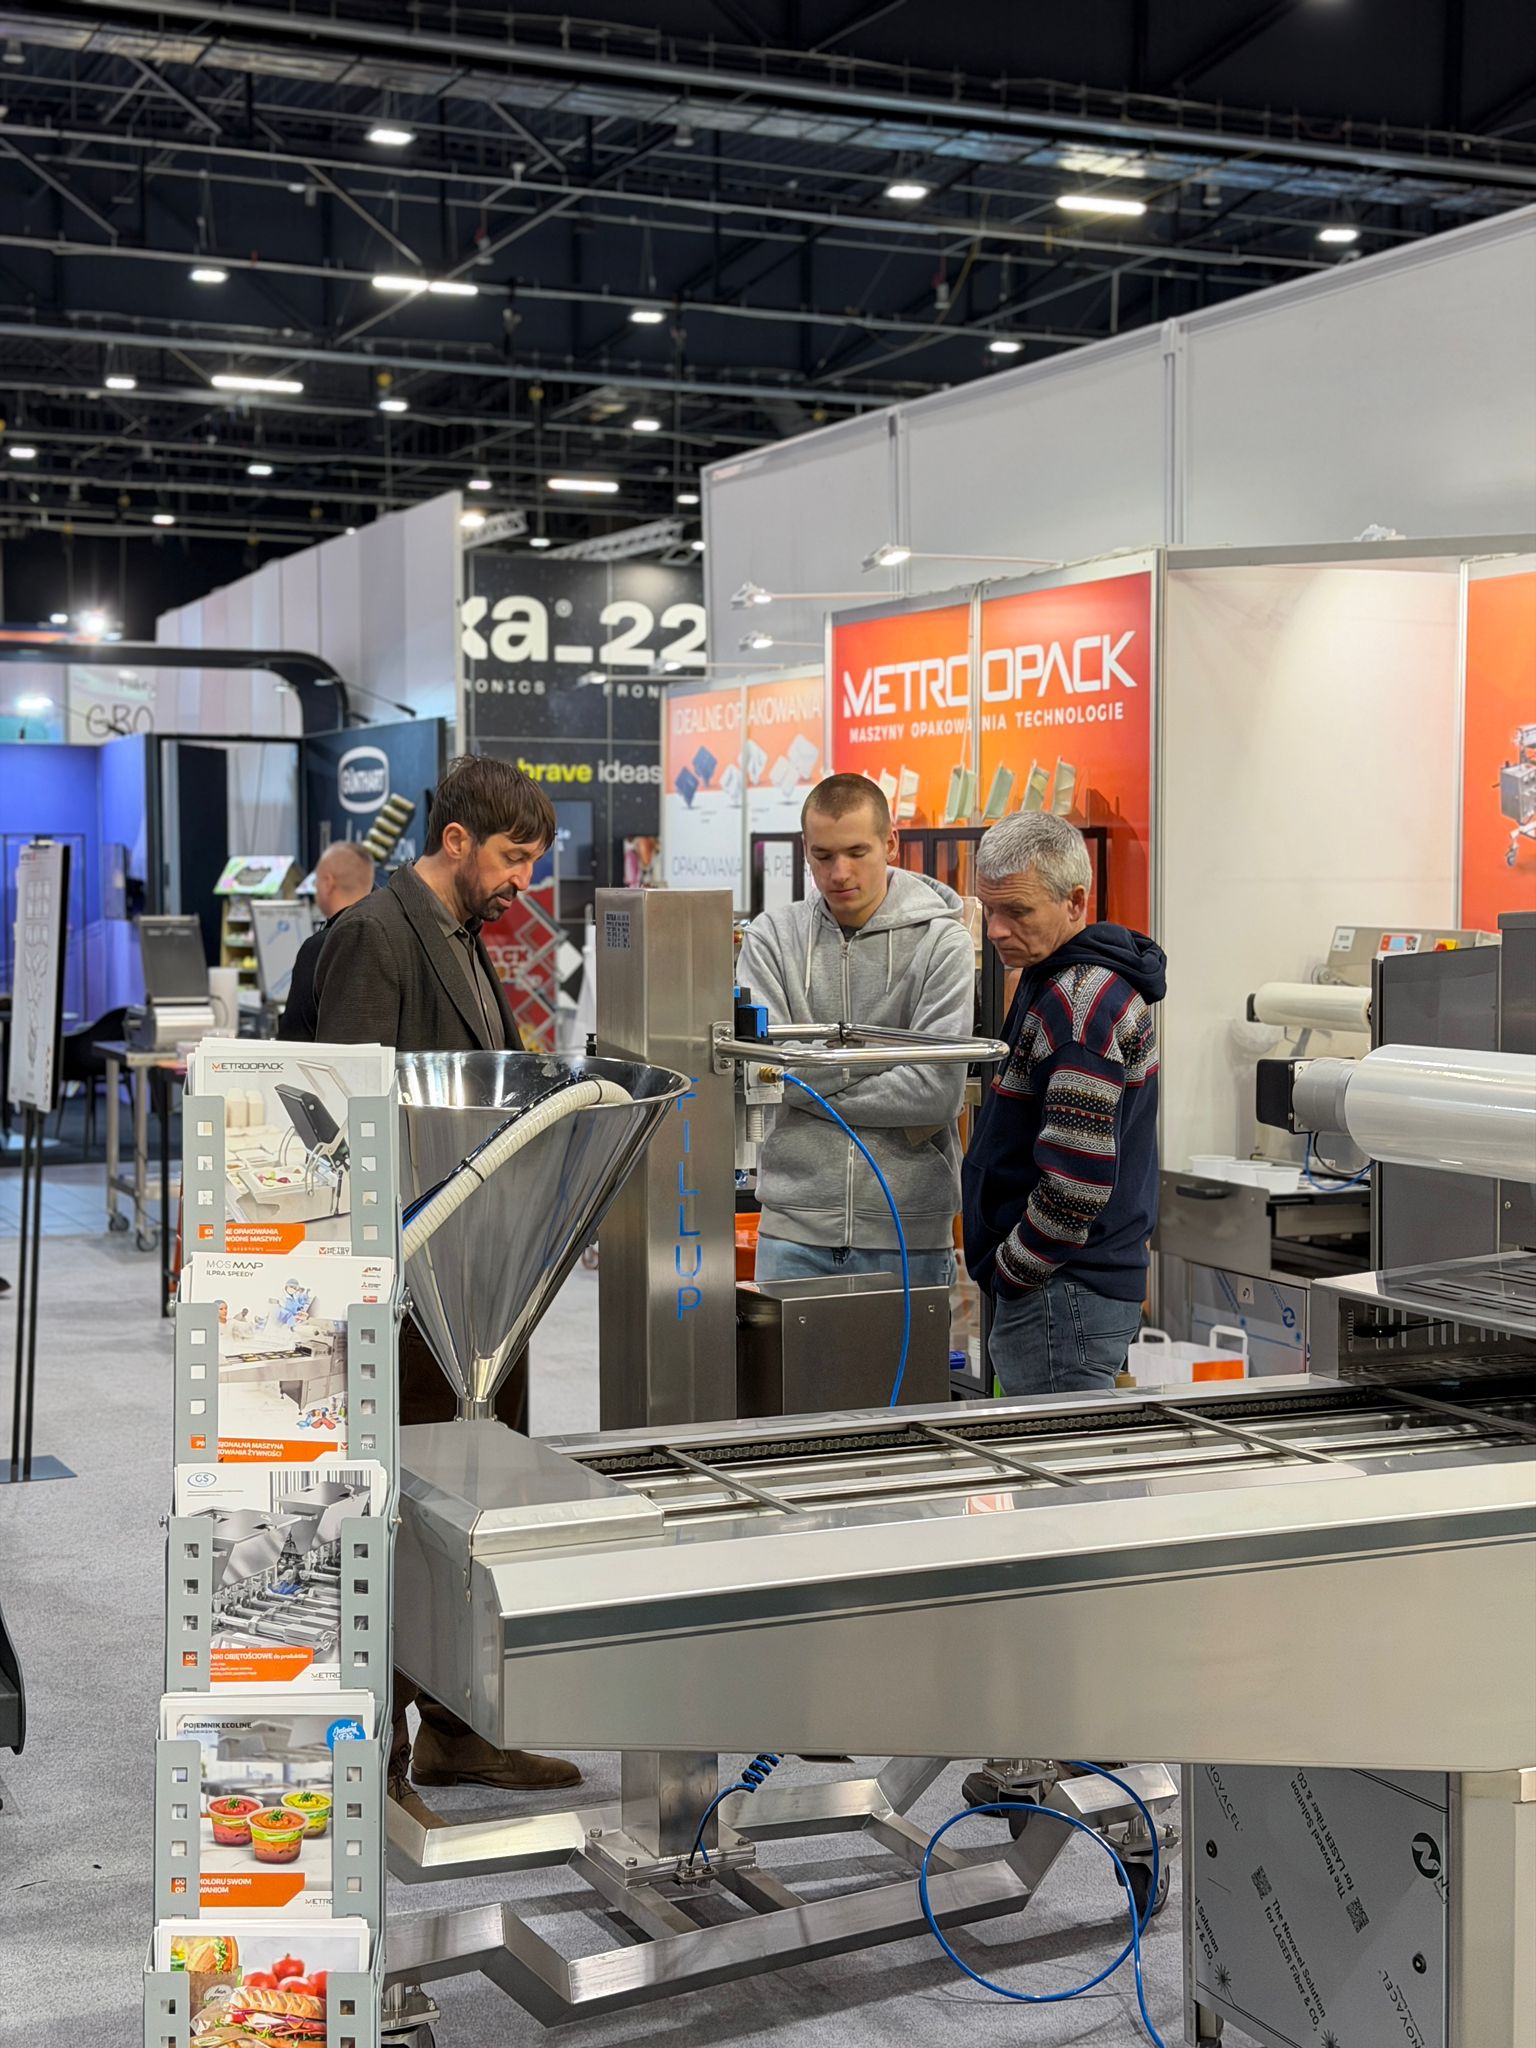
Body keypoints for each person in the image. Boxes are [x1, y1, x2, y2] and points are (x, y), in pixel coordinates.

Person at [312, 754, 579, 1825]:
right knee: (401, 1512)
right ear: (456, 840)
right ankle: (375, 1755)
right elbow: (344, 1122)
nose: (523, 881)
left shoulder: (466, 934)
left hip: (478, 1282)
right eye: (513, 857)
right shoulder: (374, 937)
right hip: (410, 1287)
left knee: (473, 1506)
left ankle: (458, 1729)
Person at [737, 773, 975, 1291]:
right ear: (805, 849)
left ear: (891, 844)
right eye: (822, 856)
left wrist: (812, 1068)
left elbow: (937, 1092)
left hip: (908, 1233)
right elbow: (769, 1073)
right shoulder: (772, 938)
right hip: (792, 1233)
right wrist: (886, 1056)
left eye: (856, 852)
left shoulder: (942, 943)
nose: (839, 873)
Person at [962, 812, 1165, 1397]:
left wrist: (1013, 1271)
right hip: (1069, 1287)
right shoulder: (1057, 974)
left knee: (1060, 1457)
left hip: (1062, 1293)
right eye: (989, 910)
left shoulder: (1078, 1006)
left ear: (1075, 902)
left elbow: (1076, 1185)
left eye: (1017, 911)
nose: (996, 930)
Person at [277, 841, 375, 1041]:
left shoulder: (318, 948)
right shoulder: (391, 937)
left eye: (316, 881)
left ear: (328, 883)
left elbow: (294, 1039)